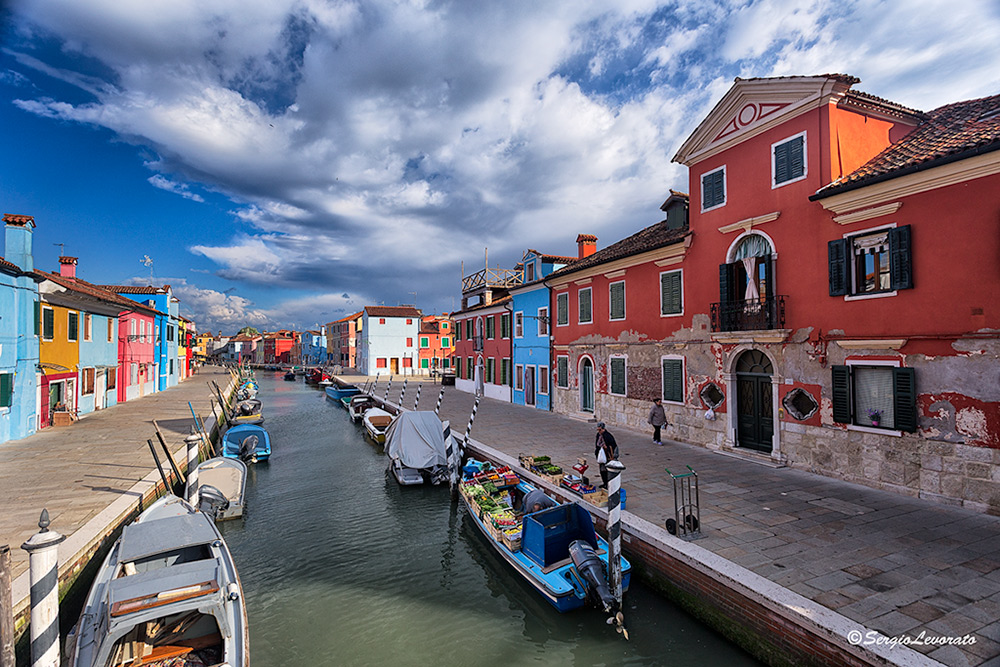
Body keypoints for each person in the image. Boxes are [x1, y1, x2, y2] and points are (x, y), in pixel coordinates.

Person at [594, 422, 619, 489]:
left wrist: (606, 447)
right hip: (601, 455)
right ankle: (604, 483)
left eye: (600, 430)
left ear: (603, 429)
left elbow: (613, 446)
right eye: (598, 430)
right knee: (602, 470)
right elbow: (597, 445)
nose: (599, 431)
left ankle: (608, 483)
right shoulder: (598, 435)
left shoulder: (608, 436)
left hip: (607, 456)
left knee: (607, 470)